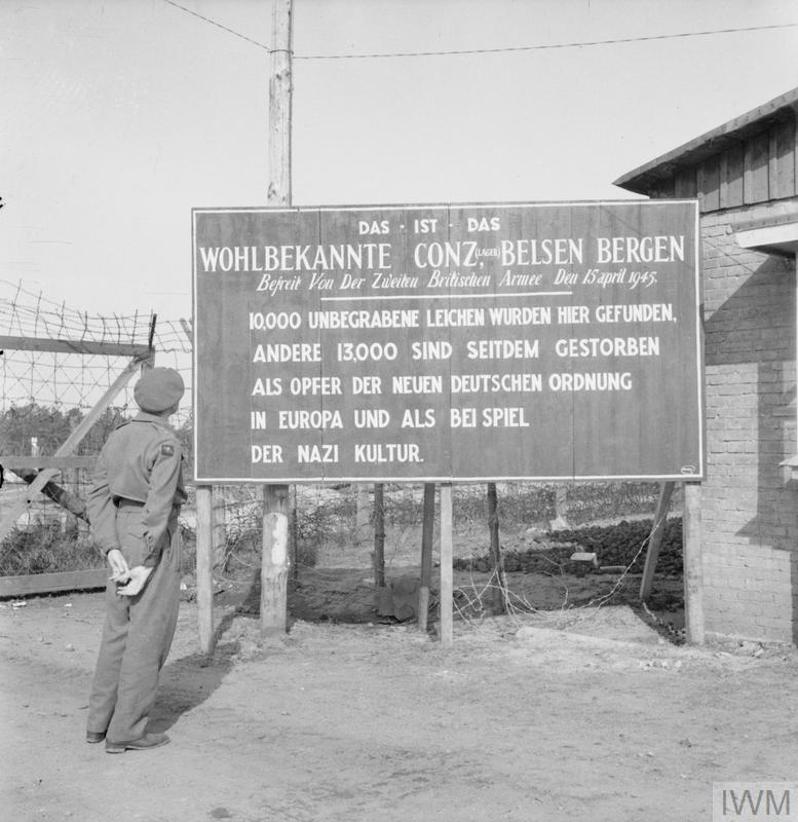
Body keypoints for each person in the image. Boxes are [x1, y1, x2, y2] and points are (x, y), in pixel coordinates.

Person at [85, 366, 187, 754]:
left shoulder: (117, 438)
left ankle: (98, 723)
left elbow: (97, 496)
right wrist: (146, 561)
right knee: (148, 633)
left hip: (120, 530)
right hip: (151, 536)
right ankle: (127, 730)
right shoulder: (166, 444)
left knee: (117, 631)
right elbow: (160, 507)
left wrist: (110, 547)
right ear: (174, 404)